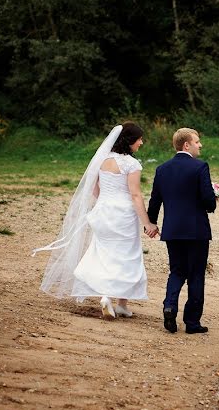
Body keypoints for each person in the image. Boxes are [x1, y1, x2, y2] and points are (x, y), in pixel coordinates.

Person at [32, 122, 159, 319]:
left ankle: (111, 299)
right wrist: (148, 223)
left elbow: (94, 189)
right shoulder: (131, 164)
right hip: (123, 214)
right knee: (126, 256)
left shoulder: (102, 160)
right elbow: (135, 195)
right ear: (130, 141)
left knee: (104, 254)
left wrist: (104, 203)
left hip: (103, 211)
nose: (141, 142)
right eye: (139, 139)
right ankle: (119, 302)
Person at [147, 127, 216, 334]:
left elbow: (155, 201)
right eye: (197, 142)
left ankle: (169, 306)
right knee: (196, 274)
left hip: (173, 230)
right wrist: (213, 199)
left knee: (177, 271)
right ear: (186, 145)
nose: (200, 145)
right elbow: (207, 201)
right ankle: (192, 323)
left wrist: (151, 223)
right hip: (196, 231)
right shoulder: (200, 167)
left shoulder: (162, 169)